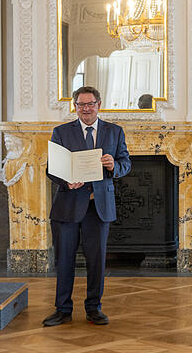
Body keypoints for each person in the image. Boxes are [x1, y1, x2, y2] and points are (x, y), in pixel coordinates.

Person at [43, 86, 131, 327]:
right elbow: (52, 168)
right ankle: (62, 309)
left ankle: (94, 308)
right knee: (65, 260)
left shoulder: (114, 132)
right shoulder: (61, 132)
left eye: (90, 104)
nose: (86, 109)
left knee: (97, 260)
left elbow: (126, 164)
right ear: (75, 107)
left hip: (99, 207)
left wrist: (114, 165)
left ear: (99, 104)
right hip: (68, 205)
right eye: (81, 105)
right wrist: (66, 180)